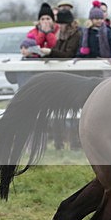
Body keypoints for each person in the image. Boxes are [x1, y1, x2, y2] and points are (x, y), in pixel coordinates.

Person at [44, 9, 81, 150]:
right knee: (57, 111)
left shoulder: (76, 35)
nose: (59, 26)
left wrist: (51, 52)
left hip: (71, 78)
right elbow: (58, 50)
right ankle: (58, 143)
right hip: (61, 77)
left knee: (72, 112)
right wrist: (47, 56)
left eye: (61, 23)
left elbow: (68, 54)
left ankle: (74, 143)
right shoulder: (62, 34)